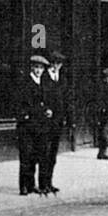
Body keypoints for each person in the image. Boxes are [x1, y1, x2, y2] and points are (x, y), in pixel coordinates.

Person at [15, 54, 53, 196]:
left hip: (41, 126)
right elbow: (23, 105)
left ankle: (33, 185)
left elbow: (47, 101)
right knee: (26, 156)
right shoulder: (24, 83)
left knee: (38, 155)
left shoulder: (43, 83)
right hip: (27, 126)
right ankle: (24, 186)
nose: (38, 70)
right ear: (31, 67)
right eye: (36, 67)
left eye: (41, 68)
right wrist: (41, 110)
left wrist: (48, 109)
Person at [40, 51, 67, 194]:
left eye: (59, 64)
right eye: (55, 63)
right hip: (46, 121)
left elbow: (65, 98)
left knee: (53, 154)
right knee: (44, 152)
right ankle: (43, 183)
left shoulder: (61, 78)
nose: (57, 66)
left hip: (57, 121)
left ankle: (49, 182)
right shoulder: (44, 78)